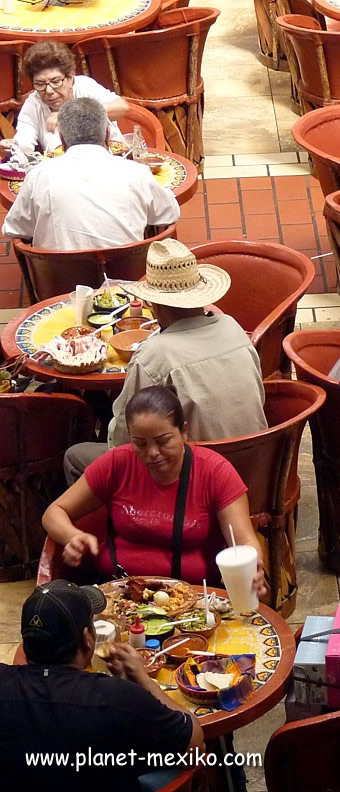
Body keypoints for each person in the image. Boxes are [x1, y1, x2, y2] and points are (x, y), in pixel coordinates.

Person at [64, 238, 267, 480]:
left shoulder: (154, 355)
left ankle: (119, 515)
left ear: (153, 305)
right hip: (256, 465)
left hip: (195, 481)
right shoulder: (233, 327)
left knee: (75, 456)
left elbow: (121, 441)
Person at [44, 385, 271, 597]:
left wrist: (252, 567)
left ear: (184, 432)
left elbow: (245, 541)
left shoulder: (215, 471)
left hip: (191, 599)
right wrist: (72, 536)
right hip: (118, 595)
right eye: (140, 443)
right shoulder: (117, 463)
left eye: (163, 441)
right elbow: (54, 512)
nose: (152, 453)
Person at [0, 581, 204, 790]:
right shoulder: (116, 697)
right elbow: (195, 745)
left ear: (25, 643)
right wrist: (142, 678)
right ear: (88, 639)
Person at [2, 97, 179, 251]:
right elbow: (169, 213)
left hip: (59, 286)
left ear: (62, 140)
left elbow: (14, 228)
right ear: (108, 136)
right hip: (129, 283)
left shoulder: (38, 175)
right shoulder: (137, 173)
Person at [1, 40, 128, 156]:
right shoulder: (33, 103)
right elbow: (24, 144)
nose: (49, 91)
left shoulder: (84, 86)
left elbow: (122, 107)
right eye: (40, 84)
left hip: (111, 160)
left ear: (70, 76)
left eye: (56, 81)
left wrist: (69, 114)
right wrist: (13, 149)